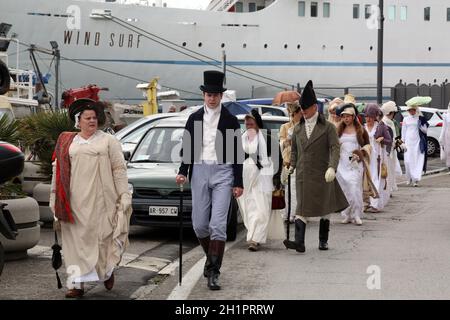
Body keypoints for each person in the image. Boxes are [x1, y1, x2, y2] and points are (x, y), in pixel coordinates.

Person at [50, 98, 132, 298]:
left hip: (102, 201)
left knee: (103, 240)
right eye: (87, 118)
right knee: (74, 244)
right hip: (74, 202)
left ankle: (107, 272)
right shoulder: (68, 141)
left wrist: (123, 194)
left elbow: (119, 169)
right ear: (78, 121)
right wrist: (54, 196)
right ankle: (76, 285)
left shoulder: (108, 141)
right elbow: (58, 171)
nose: (92, 121)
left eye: (94, 117)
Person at [175, 70, 244, 291]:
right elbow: (187, 148)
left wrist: (238, 181)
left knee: (217, 225)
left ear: (221, 96)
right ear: (203, 95)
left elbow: (237, 152)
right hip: (199, 170)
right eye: (208, 94)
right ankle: (210, 258)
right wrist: (183, 171)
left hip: (223, 172)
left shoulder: (230, 120)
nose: (212, 98)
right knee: (199, 225)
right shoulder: (194, 117)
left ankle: (214, 271)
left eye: (215, 94)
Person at [283, 80, 348, 253]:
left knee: (324, 209)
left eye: (305, 108)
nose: (303, 112)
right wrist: (291, 166)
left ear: (314, 108)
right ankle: (299, 242)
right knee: (301, 208)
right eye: (301, 109)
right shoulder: (297, 129)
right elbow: (295, 152)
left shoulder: (328, 128)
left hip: (322, 172)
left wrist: (332, 167)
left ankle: (323, 240)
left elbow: (335, 148)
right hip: (303, 174)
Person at [237, 110, 275, 251]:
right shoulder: (240, 139)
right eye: (247, 124)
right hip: (245, 179)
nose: (249, 126)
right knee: (249, 209)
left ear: (257, 124)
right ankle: (252, 237)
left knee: (262, 210)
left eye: (251, 124)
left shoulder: (268, 139)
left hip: (262, 179)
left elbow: (276, 159)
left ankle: (255, 239)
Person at [336, 103, 371, 225]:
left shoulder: (360, 130)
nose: (346, 118)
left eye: (348, 116)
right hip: (342, 164)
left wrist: (360, 154)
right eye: (344, 116)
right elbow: (332, 145)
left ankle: (357, 214)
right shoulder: (338, 129)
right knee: (345, 190)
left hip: (355, 163)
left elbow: (367, 146)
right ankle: (347, 214)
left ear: (353, 117)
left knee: (355, 188)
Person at [363, 103, 392, 212]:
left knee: (376, 178)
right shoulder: (362, 127)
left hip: (378, 158)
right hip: (367, 157)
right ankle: (367, 202)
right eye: (366, 116)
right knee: (366, 179)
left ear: (375, 116)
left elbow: (389, 141)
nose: (368, 119)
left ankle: (375, 204)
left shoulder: (381, 126)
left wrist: (382, 139)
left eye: (370, 116)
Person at [279, 101, 302, 223]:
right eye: (298, 113)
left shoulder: (303, 126)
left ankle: (296, 213)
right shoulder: (285, 127)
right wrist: (288, 139)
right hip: (288, 161)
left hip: (301, 160)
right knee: (289, 189)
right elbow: (281, 143)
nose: (300, 115)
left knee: (298, 189)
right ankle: (289, 213)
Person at [402, 103, 429, 186]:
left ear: (416, 110)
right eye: (409, 110)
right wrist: (403, 141)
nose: (411, 112)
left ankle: (415, 179)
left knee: (417, 160)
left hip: (417, 142)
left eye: (413, 110)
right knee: (407, 161)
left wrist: (420, 125)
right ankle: (409, 178)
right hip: (408, 142)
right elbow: (403, 131)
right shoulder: (405, 119)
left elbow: (425, 131)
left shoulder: (420, 118)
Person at [381, 101, 403, 193]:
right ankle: (386, 189)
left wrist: (398, 143)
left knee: (391, 169)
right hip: (386, 150)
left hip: (391, 150)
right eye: (393, 112)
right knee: (387, 169)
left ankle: (389, 188)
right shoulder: (385, 122)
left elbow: (394, 136)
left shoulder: (390, 122)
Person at [439, 102, 450, 172]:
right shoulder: (446, 115)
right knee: (448, 151)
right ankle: (449, 166)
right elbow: (444, 127)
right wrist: (441, 137)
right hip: (448, 135)